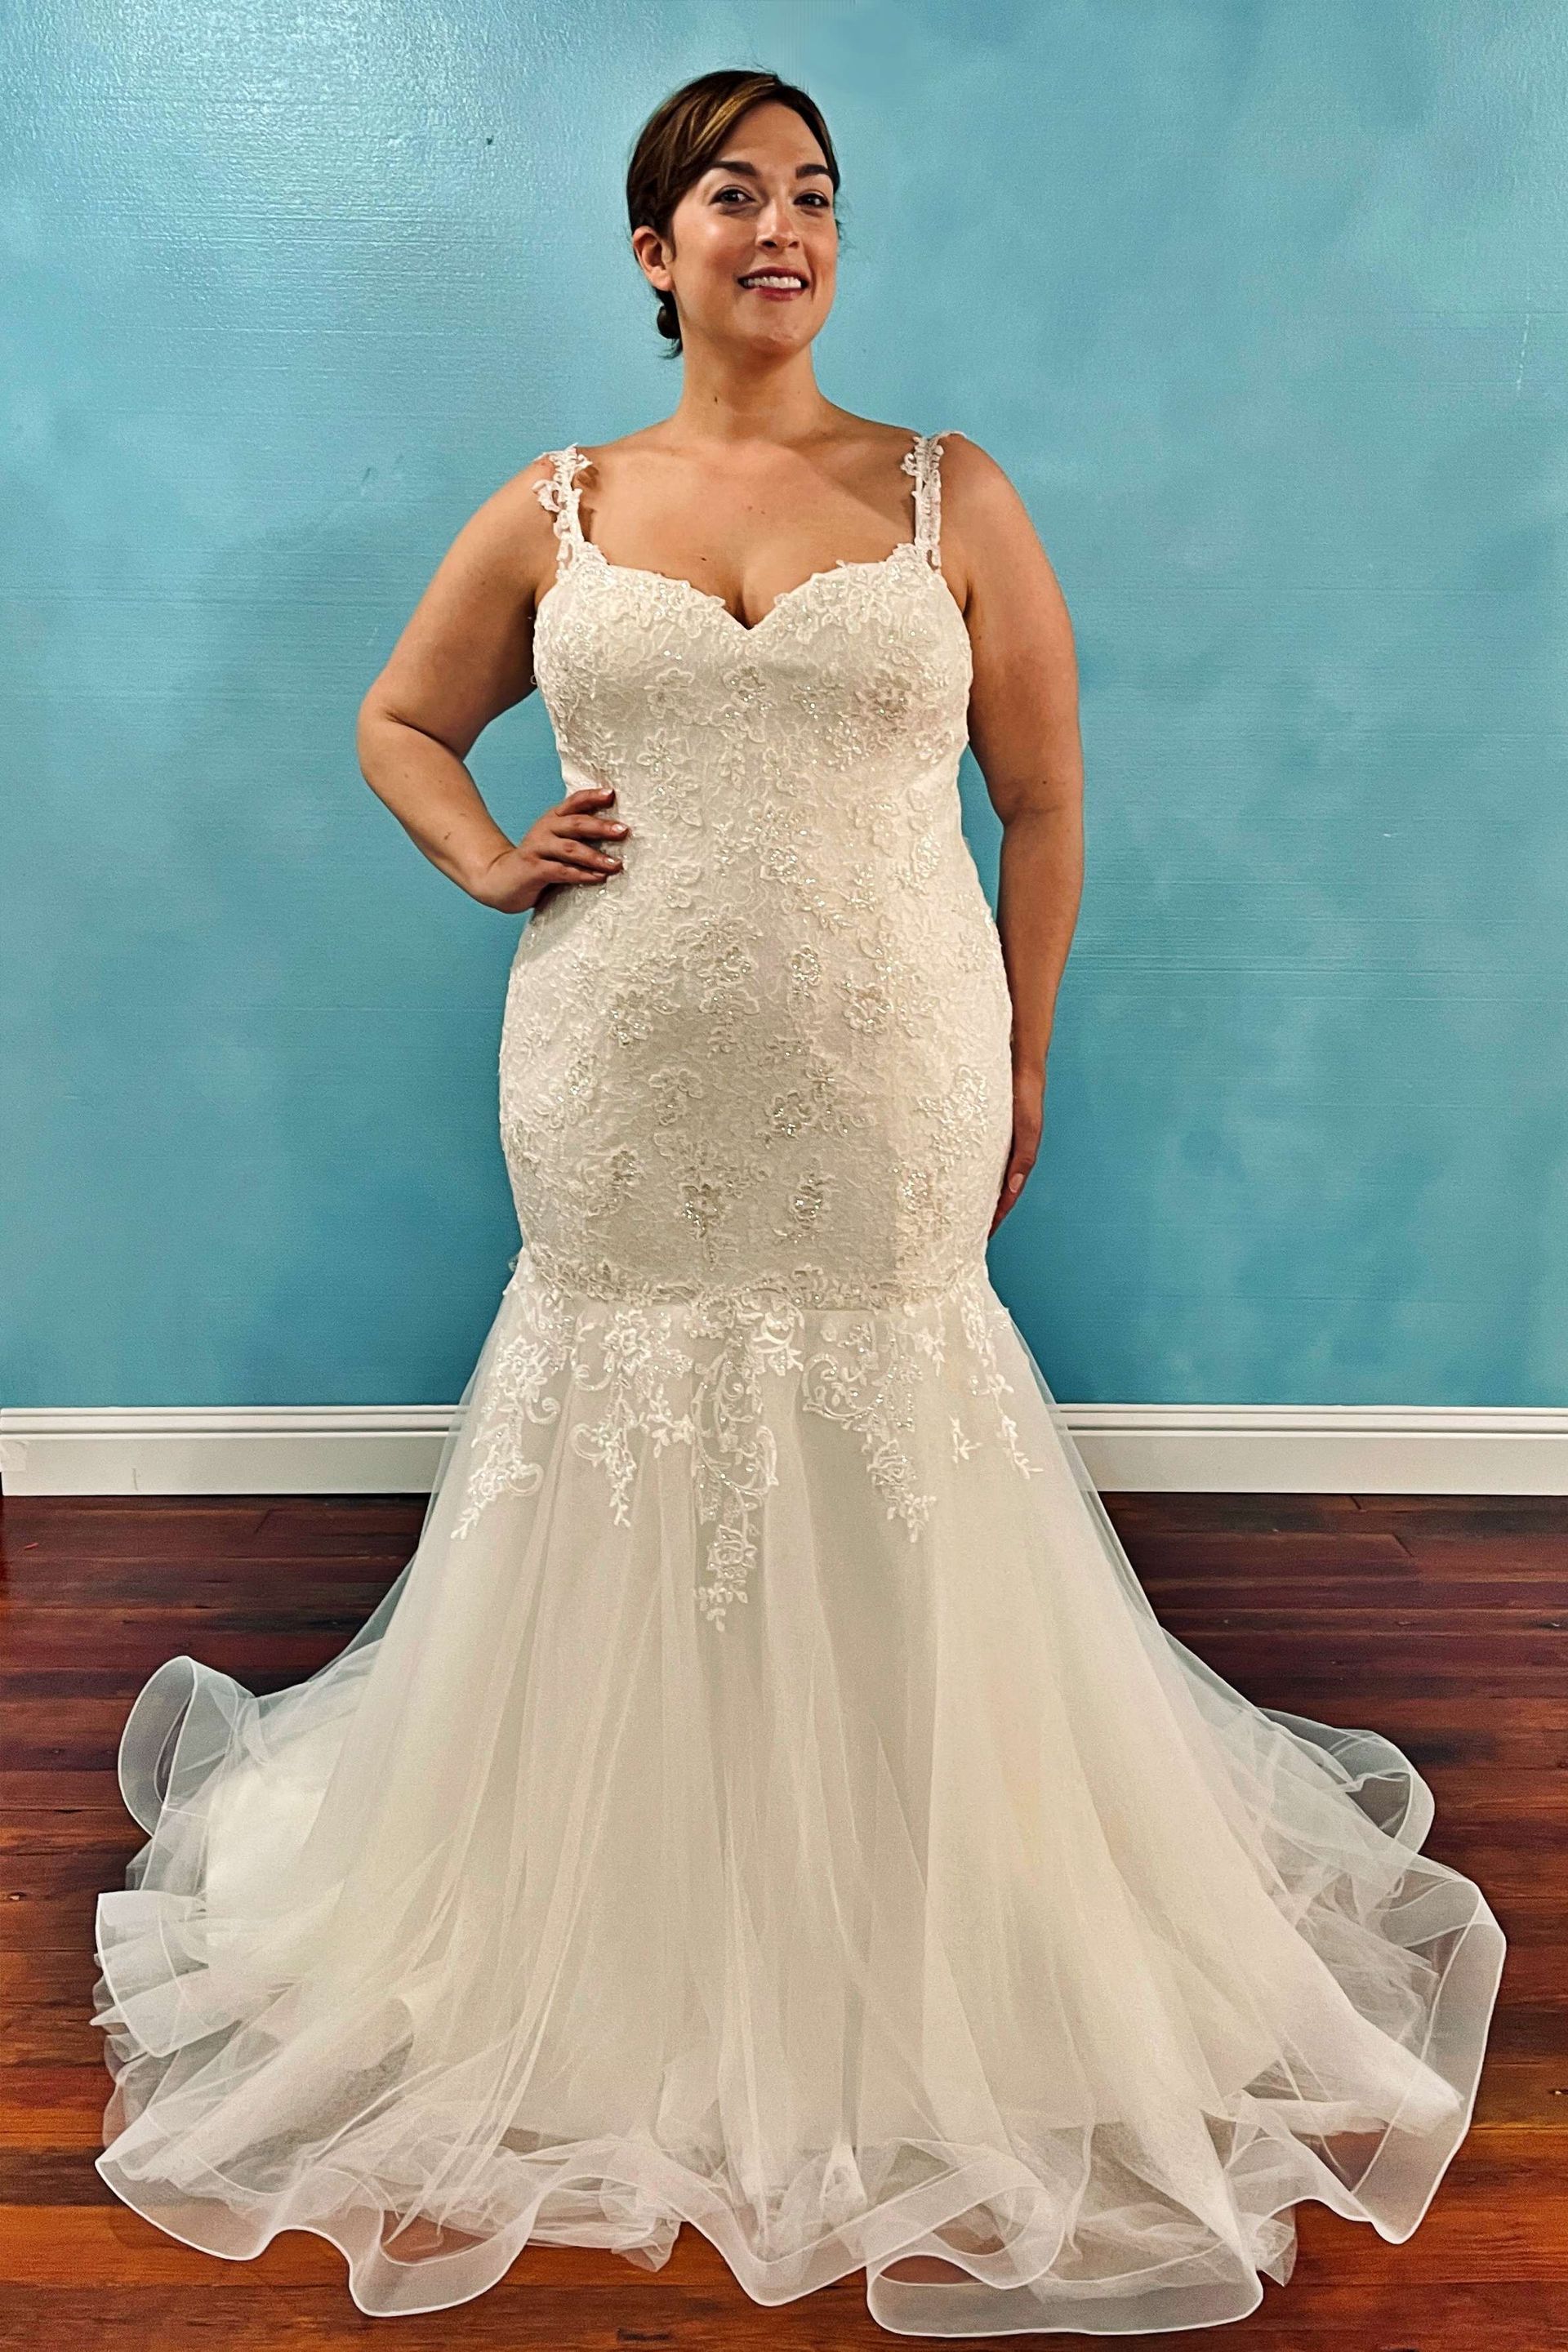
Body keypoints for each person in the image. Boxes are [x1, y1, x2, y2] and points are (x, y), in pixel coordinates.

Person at [91, 65, 1506, 2337]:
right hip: (618, 1063)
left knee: (888, 1409)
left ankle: (929, 1916)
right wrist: (483, 857)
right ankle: (597, 1917)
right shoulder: (561, 503)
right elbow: (398, 720)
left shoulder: (952, 493)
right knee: (623, 1397)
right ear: (651, 252)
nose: (784, 227)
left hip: (888, 1066)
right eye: (732, 195)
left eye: (816, 196)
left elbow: (1039, 803)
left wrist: (1027, 1050)